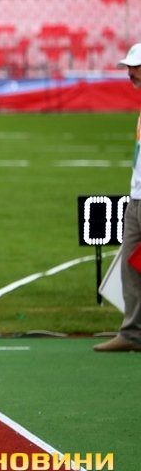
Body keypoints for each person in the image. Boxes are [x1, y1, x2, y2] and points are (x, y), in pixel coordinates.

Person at [95, 42, 141, 352]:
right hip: (137, 197)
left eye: (134, 68)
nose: (129, 73)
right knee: (131, 266)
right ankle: (132, 333)